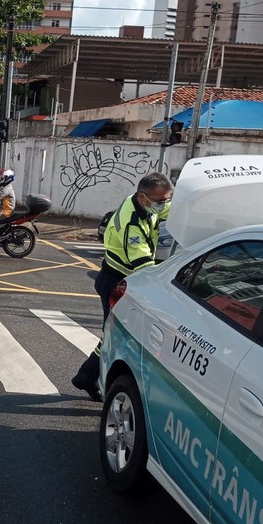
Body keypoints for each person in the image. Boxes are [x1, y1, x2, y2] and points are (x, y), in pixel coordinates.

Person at [70, 172, 173, 402]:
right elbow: (144, 268)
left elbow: (168, 211)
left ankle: (86, 376)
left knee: (112, 334)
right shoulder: (132, 225)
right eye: (159, 201)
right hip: (116, 284)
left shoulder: (140, 204)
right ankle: (87, 377)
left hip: (117, 279)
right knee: (112, 337)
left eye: (166, 199)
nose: (163, 205)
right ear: (143, 197)